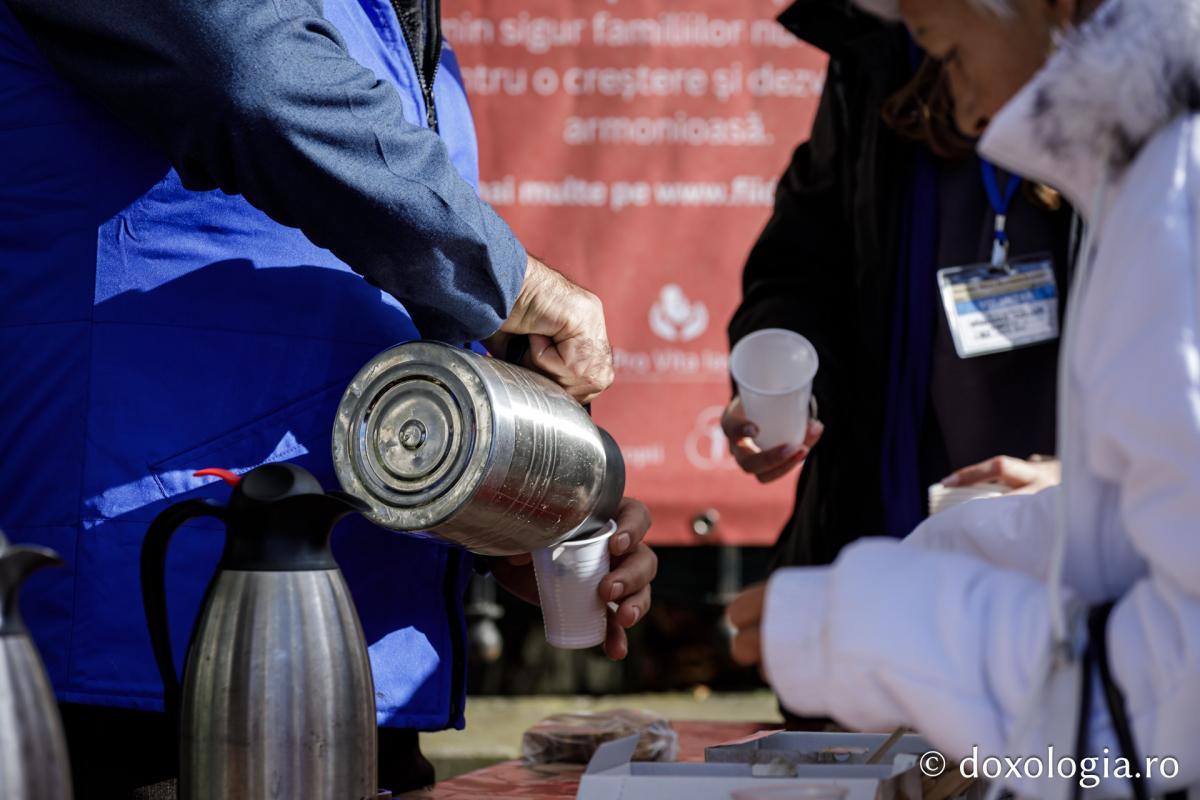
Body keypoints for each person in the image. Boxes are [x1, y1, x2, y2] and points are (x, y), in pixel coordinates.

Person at [0, 0, 656, 795]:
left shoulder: (402, 26)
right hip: (150, 646)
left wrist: (500, 518)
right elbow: (247, 75)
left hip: (358, 656)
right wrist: (509, 281)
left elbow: (371, 293)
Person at [729, 0, 1200, 794]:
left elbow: (1168, 687)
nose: (966, 110)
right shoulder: (1154, 174)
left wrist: (873, 624)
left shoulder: (1171, 195)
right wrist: (931, 563)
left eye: (947, 54)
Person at [724, 0, 1071, 578]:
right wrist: (792, 380)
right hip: (890, 525)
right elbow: (802, 260)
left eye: (954, 55)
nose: (969, 113)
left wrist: (1090, 488)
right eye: (944, 56)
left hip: (1060, 553)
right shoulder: (875, 49)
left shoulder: (1148, 111)